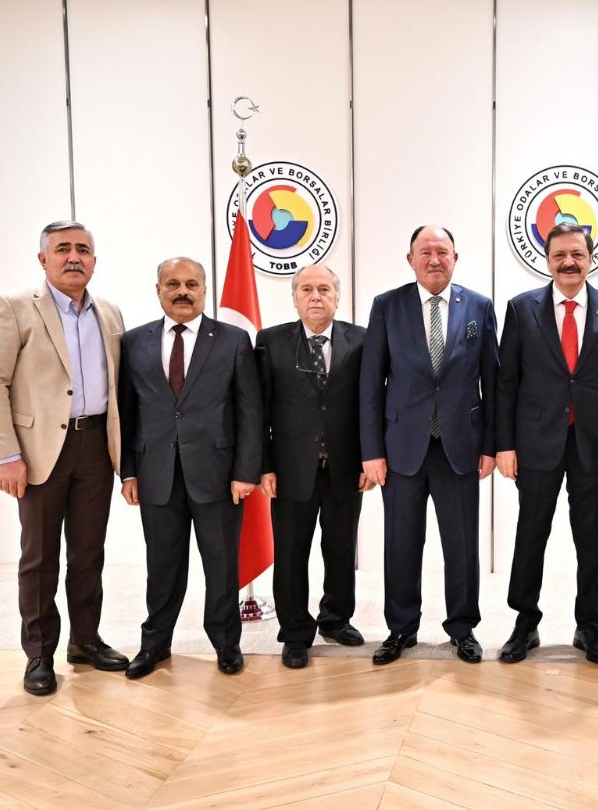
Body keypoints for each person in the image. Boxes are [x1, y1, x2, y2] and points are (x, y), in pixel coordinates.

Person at [0, 221, 130, 695]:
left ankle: (85, 641)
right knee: (39, 557)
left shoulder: (110, 312)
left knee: (88, 553)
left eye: (83, 249)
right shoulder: (12, 307)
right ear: (43, 259)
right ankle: (39, 654)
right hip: (38, 451)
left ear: (94, 260)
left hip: (95, 447)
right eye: (62, 249)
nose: (73, 257)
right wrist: (5, 454)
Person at [118, 258, 262, 679]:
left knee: (221, 565)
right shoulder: (134, 341)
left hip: (218, 475)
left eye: (192, 284)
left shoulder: (233, 339)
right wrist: (128, 471)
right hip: (156, 474)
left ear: (204, 290)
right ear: (158, 289)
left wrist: (245, 471)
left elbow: (249, 411)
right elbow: (127, 413)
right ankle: (155, 644)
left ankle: (226, 643)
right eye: (173, 284)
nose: (183, 292)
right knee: (162, 567)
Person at [360, 226, 498, 665]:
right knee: (401, 543)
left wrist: (491, 445)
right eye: (425, 252)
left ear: (455, 258)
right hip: (401, 447)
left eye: (442, 252)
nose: (434, 259)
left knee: (462, 545)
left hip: (460, 447)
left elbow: (493, 383)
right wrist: (371, 451)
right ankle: (401, 628)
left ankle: (463, 628)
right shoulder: (387, 306)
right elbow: (371, 383)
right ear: (411, 259)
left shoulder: (479, 306)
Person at [494, 222, 598, 664]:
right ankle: (525, 623)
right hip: (536, 442)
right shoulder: (521, 308)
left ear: (590, 259)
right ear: (547, 260)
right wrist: (505, 445)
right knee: (531, 533)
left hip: (595, 443)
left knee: (592, 537)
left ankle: (590, 628)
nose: (568, 262)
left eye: (576, 254)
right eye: (559, 256)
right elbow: (506, 382)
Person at [256, 265, 371, 670]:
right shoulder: (270, 341)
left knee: (341, 550)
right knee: (291, 553)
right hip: (290, 470)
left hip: (345, 467)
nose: (316, 296)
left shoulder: (362, 340)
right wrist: (264, 466)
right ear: (295, 298)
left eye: (324, 289)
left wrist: (369, 458)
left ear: (337, 297)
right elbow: (259, 409)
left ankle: (336, 619)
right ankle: (294, 632)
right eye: (306, 289)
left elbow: (370, 404)